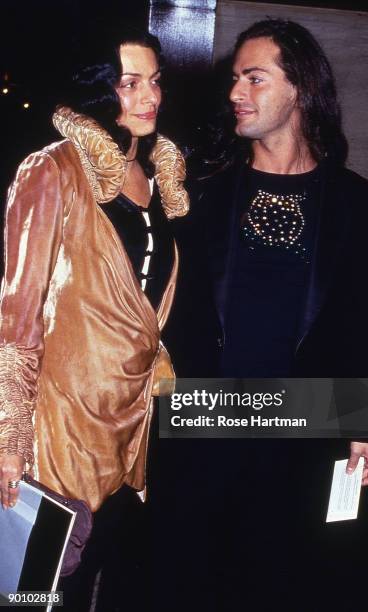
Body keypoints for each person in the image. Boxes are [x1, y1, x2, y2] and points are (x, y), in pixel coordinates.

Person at [159, 18, 368, 610]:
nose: (237, 93)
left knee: (280, 580)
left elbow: (357, 321)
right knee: (191, 579)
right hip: (204, 424)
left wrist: (365, 426)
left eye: (255, 78)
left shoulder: (357, 202)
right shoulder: (201, 192)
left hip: (299, 432)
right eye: (236, 78)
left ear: (300, 88)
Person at [0, 23, 188, 610]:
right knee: (42, 587)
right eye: (129, 84)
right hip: (62, 423)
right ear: (97, 92)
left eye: (154, 82)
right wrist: (8, 442)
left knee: (109, 575)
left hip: (131, 421)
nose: (149, 97)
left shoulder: (160, 177)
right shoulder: (52, 170)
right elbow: (16, 317)